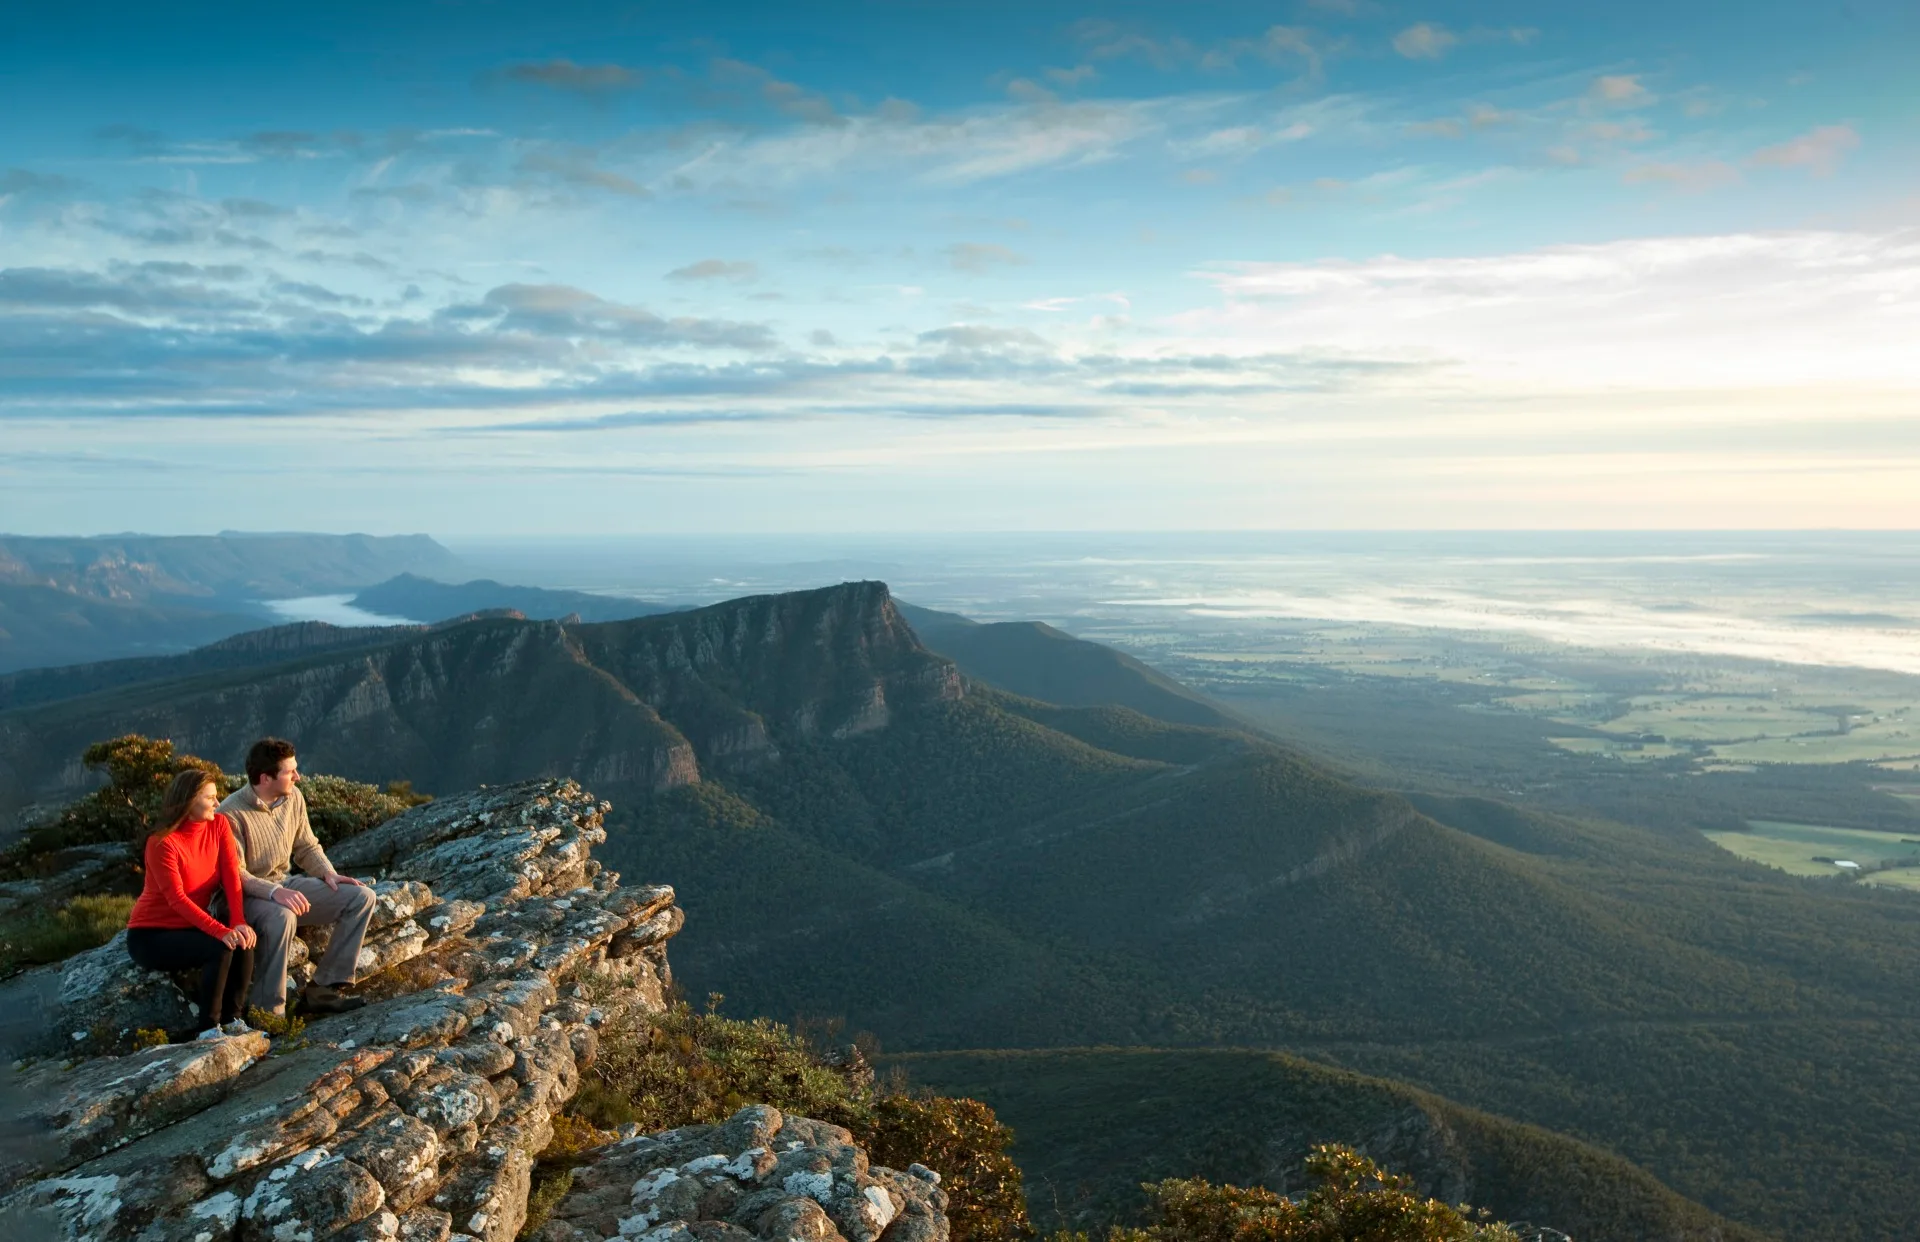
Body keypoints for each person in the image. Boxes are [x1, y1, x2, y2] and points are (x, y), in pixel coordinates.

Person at [216, 738, 374, 1016]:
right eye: (290, 772)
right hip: (242, 897)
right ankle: (268, 1014)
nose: (298, 777)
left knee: (361, 897)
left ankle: (323, 990)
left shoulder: (293, 798)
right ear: (265, 778)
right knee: (282, 916)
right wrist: (275, 893)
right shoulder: (230, 814)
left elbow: (307, 846)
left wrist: (329, 875)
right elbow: (235, 875)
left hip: (283, 884)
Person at [126, 769, 258, 1037]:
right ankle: (208, 1029)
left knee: (242, 940)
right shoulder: (162, 843)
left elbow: (232, 878)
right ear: (189, 801)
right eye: (210, 797)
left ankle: (234, 1021)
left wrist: (237, 921)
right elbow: (176, 899)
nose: (218, 803)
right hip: (152, 935)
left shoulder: (219, 825)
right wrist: (221, 931)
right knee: (220, 948)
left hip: (190, 926)